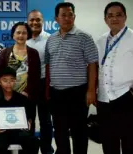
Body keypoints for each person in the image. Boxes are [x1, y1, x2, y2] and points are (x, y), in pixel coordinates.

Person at [45, 2, 98, 154]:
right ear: (56, 18)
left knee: (79, 131)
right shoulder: (51, 39)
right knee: (60, 132)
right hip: (57, 93)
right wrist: (48, 90)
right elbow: (49, 65)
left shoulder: (84, 37)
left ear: (74, 16)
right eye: (63, 15)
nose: (67, 18)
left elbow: (93, 64)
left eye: (70, 15)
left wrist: (91, 90)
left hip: (78, 92)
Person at [96, 2, 133, 154]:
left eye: (118, 15)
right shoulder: (100, 40)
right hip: (104, 100)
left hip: (126, 97)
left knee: (129, 141)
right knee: (109, 142)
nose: (114, 19)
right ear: (105, 19)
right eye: (110, 16)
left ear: (125, 17)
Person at [0, 22, 40, 133]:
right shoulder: (5, 53)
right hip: (8, 96)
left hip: (27, 97)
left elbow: (36, 76)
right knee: (8, 126)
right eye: (18, 32)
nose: (21, 35)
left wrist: (27, 92)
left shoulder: (33, 53)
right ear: (13, 35)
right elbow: (0, 75)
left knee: (26, 130)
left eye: (24, 33)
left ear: (28, 35)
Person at [0, 67, 39, 154]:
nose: (9, 83)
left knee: (33, 142)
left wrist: (29, 122)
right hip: (0, 132)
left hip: (18, 131)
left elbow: (29, 116)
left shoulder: (22, 99)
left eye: (12, 80)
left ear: (15, 81)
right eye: (5, 80)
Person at [26, 10, 53, 154]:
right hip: (27, 85)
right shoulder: (23, 38)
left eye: (38, 20)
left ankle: (46, 149)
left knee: (45, 120)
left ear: (43, 21)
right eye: (31, 20)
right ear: (27, 21)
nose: (34, 23)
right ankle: (31, 149)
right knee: (28, 119)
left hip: (44, 84)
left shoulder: (50, 38)